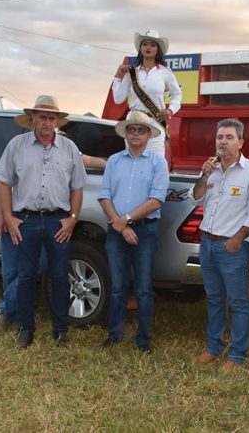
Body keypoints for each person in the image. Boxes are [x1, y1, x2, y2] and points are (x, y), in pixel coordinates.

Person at [0, 95, 87, 349]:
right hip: (26, 221)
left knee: (60, 277)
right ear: (32, 119)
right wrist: (8, 218)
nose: (47, 122)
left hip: (58, 222)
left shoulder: (69, 148)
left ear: (57, 121)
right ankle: (26, 329)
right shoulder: (17, 145)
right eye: (43, 117)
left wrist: (72, 220)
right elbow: (3, 182)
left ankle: (60, 331)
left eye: (52, 118)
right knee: (25, 277)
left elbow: (77, 187)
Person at [190, 119, 249, 371]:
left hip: (232, 246)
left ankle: (237, 355)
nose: (223, 142)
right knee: (214, 298)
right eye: (220, 137)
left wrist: (238, 239)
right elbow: (196, 197)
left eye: (229, 137)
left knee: (238, 301)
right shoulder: (211, 169)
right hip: (208, 243)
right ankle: (214, 348)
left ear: (241, 142)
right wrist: (204, 175)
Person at [97, 111, 169, 354]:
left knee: (143, 288)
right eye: (131, 129)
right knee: (117, 286)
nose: (136, 133)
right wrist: (120, 224)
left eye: (141, 130)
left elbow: (156, 201)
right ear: (125, 134)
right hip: (117, 231)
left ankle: (143, 339)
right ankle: (114, 334)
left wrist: (125, 220)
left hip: (145, 231)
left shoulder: (158, 163)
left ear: (149, 135)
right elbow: (104, 195)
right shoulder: (114, 160)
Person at [112, 29, 182, 157]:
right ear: (140, 48)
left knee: (156, 162)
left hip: (155, 122)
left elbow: (177, 94)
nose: (148, 47)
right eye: (144, 44)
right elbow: (118, 99)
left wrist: (170, 110)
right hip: (133, 123)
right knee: (132, 161)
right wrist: (117, 77)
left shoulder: (165, 72)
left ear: (157, 49)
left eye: (152, 45)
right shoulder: (131, 72)